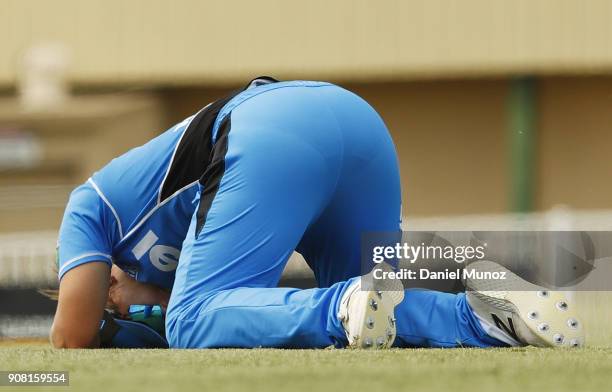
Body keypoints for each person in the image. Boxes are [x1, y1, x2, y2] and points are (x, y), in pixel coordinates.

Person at [51, 77, 584, 349]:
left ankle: (340, 306)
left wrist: (114, 317)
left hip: (266, 128)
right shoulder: (158, 269)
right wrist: (145, 301)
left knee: (193, 322)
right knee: (380, 315)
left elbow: (71, 337)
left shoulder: (88, 210)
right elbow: (226, 303)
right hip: (355, 121)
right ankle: (490, 318)